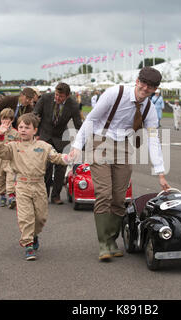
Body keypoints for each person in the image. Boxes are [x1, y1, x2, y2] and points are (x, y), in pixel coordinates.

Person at [68, 67, 170, 261]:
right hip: (99, 139)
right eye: (143, 84)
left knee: (119, 197)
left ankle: (112, 240)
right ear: (137, 80)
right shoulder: (116, 93)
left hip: (124, 145)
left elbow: (154, 139)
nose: (145, 89)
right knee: (104, 193)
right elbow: (91, 118)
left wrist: (160, 173)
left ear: (155, 90)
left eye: (151, 87)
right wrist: (77, 146)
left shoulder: (149, 108)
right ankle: (103, 244)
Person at [0, 113, 70, 261]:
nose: (23, 130)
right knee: (26, 217)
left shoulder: (44, 146)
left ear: (35, 130)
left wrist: (69, 157)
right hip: (22, 185)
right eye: (20, 127)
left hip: (39, 185)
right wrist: (0, 136)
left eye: (27, 127)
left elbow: (57, 158)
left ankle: (34, 235)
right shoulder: (13, 146)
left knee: (40, 218)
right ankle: (28, 244)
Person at [33, 82, 83, 204]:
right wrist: (35, 133)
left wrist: (82, 141)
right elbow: (35, 116)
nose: (57, 98)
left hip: (61, 138)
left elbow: (78, 125)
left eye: (60, 96)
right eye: (56, 95)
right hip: (45, 136)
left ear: (67, 96)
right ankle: (44, 195)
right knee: (46, 167)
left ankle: (56, 196)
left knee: (61, 167)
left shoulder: (73, 105)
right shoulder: (45, 98)